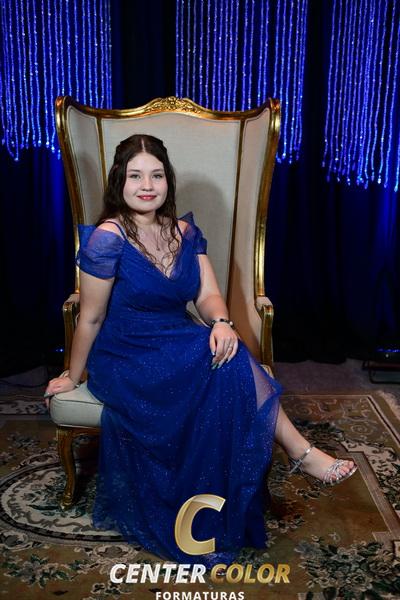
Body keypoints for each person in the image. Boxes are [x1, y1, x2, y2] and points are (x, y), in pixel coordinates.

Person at [45, 134, 357, 568]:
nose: (147, 185)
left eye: (156, 175)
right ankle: (301, 453)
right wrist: (72, 375)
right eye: (135, 176)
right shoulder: (107, 238)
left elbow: (208, 295)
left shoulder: (184, 232)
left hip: (176, 339)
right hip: (127, 355)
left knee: (227, 351)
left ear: (168, 181)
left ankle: (245, 487)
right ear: (119, 181)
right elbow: (92, 318)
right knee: (226, 358)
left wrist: (222, 322)